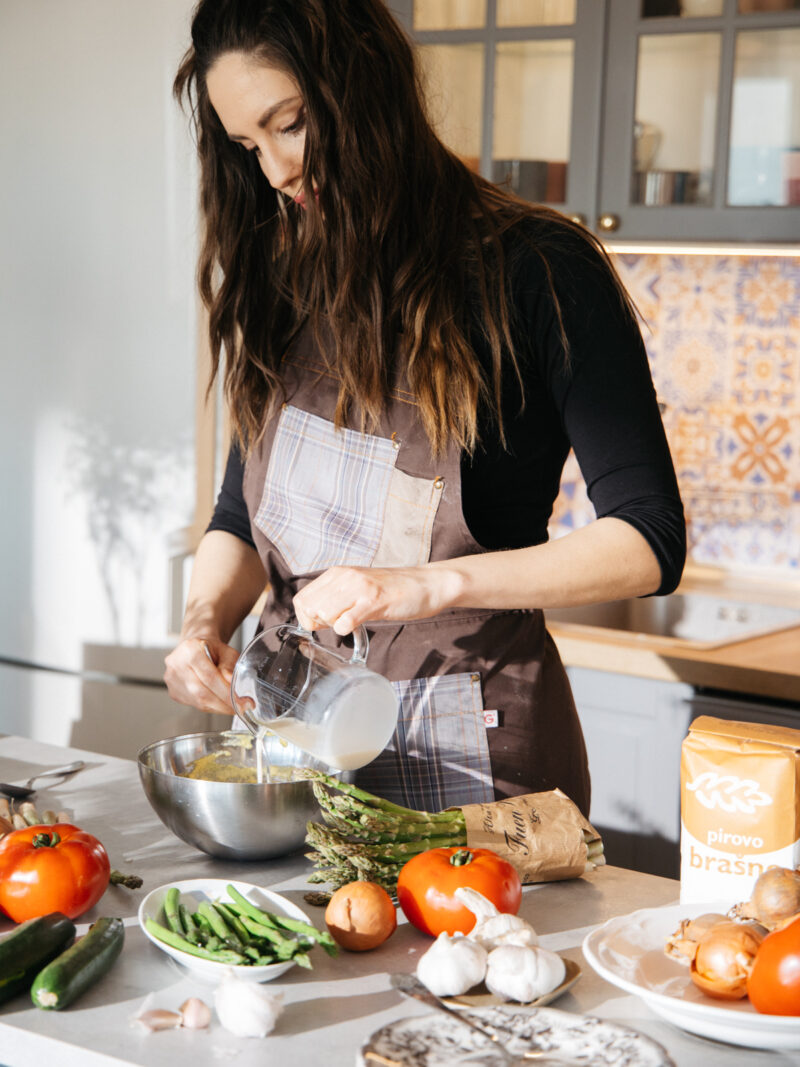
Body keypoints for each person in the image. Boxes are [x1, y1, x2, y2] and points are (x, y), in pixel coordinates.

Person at [164, 0, 686, 817]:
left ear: (364, 93)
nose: (274, 172)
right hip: (297, 758)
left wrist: (424, 584)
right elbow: (240, 513)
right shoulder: (278, 276)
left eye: (290, 125)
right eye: (246, 146)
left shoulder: (539, 271)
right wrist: (201, 623)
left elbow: (649, 540)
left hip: (475, 768)